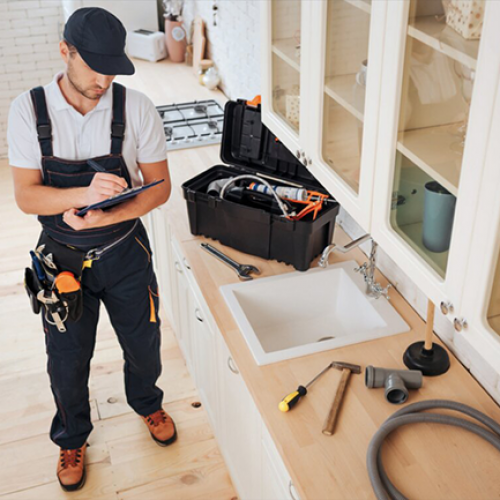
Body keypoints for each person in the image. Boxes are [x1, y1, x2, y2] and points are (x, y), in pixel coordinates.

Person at [7, 7, 175, 492]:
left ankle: (147, 402)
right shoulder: (29, 110)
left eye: (112, 67)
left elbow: (158, 187)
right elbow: (26, 196)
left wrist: (112, 213)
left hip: (124, 251)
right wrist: (82, 195)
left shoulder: (136, 107)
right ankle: (72, 436)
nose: (104, 79)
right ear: (66, 52)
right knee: (66, 356)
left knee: (144, 343)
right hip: (60, 259)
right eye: (93, 66)